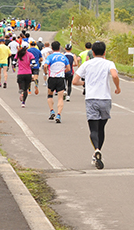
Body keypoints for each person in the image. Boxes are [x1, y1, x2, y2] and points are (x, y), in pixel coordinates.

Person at [73, 41, 120, 169]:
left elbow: (74, 81)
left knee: (93, 129)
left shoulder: (87, 64)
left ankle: (97, 149)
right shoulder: (109, 63)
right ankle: (97, 152)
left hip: (91, 99)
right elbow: (114, 75)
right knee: (101, 128)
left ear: (92, 53)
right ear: (104, 52)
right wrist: (117, 87)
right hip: (105, 99)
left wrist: (85, 83)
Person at [44, 40, 70, 123]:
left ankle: (52, 110)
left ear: (52, 48)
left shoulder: (50, 57)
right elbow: (68, 69)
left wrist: (46, 72)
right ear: (59, 48)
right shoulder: (64, 57)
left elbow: (45, 65)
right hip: (61, 78)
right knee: (60, 98)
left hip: (52, 77)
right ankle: (59, 114)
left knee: (50, 95)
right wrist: (62, 72)